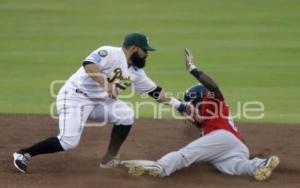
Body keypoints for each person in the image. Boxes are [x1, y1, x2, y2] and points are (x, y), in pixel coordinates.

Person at [13, 33, 183, 173]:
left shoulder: (136, 72)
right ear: (133, 48)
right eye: (145, 50)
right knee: (68, 142)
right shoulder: (109, 52)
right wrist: (105, 83)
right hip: (75, 97)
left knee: (126, 115)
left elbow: (155, 92)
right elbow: (89, 64)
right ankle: (24, 154)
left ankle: (109, 159)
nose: (147, 54)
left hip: (99, 103)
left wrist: (180, 105)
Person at [128, 48, 280, 181]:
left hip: (222, 138)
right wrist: (184, 109)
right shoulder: (207, 114)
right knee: (236, 167)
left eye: (191, 102)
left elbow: (214, 87)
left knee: (186, 154)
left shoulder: (210, 102)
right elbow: (190, 112)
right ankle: (259, 165)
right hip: (237, 147)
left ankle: (160, 167)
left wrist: (193, 69)